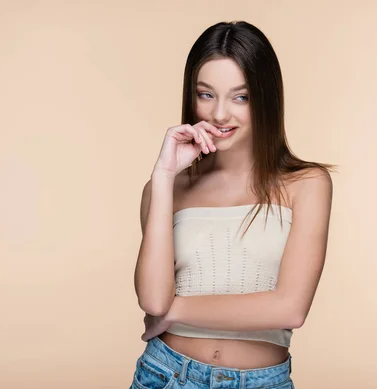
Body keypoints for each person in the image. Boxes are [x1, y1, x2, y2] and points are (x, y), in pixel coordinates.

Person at [129, 20, 334, 389]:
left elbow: (290, 308)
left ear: (265, 98)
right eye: (206, 94)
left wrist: (175, 311)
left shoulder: (307, 185)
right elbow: (151, 298)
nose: (220, 114)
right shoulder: (166, 189)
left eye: (240, 97)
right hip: (165, 374)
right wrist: (163, 176)